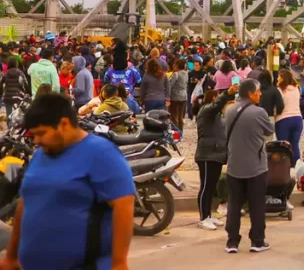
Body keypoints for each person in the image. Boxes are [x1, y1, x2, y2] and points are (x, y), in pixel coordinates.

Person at [2, 93, 135, 270]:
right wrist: (11, 256)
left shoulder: (101, 154)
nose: (37, 140)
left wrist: (119, 263)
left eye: (41, 133)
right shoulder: (41, 155)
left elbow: (124, 207)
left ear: (64, 124)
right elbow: (26, 203)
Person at [223, 78, 274, 253]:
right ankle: (257, 241)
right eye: (258, 91)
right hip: (255, 167)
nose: (260, 94)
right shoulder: (259, 112)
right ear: (250, 93)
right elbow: (269, 130)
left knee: (234, 204)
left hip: (234, 166)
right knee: (257, 204)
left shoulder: (229, 110)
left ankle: (232, 242)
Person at [195, 87, 235, 231]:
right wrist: (228, 93)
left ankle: (208, 215)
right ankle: (203, 218)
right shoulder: (206, 111)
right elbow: (217, 105)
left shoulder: (218, 117)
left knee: (211, 187)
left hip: (216, 155)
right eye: (217, 97)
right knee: (205, 187)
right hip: (206, 155)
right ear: (213, 99)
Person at [274, 68, 303, 163]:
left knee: (284, 146)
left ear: (283, 78)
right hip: (298, 119)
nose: (277, 79)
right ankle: (296, 166)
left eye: (279, 77)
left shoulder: (279, 90)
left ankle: (285, 167)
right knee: (295, 144)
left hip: (283, 120)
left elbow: (277, 106)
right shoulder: (297, 88)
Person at [168, 59, 189, 129]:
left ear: (177, 65)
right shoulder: (186, 73)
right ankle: (181, 132)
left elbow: (169, 84)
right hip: (184, 96)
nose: (173, 66)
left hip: (175, 97)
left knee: (174, 116)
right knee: (180, 117)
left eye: (174, 64)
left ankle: (175, 133)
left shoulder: (176, 74)